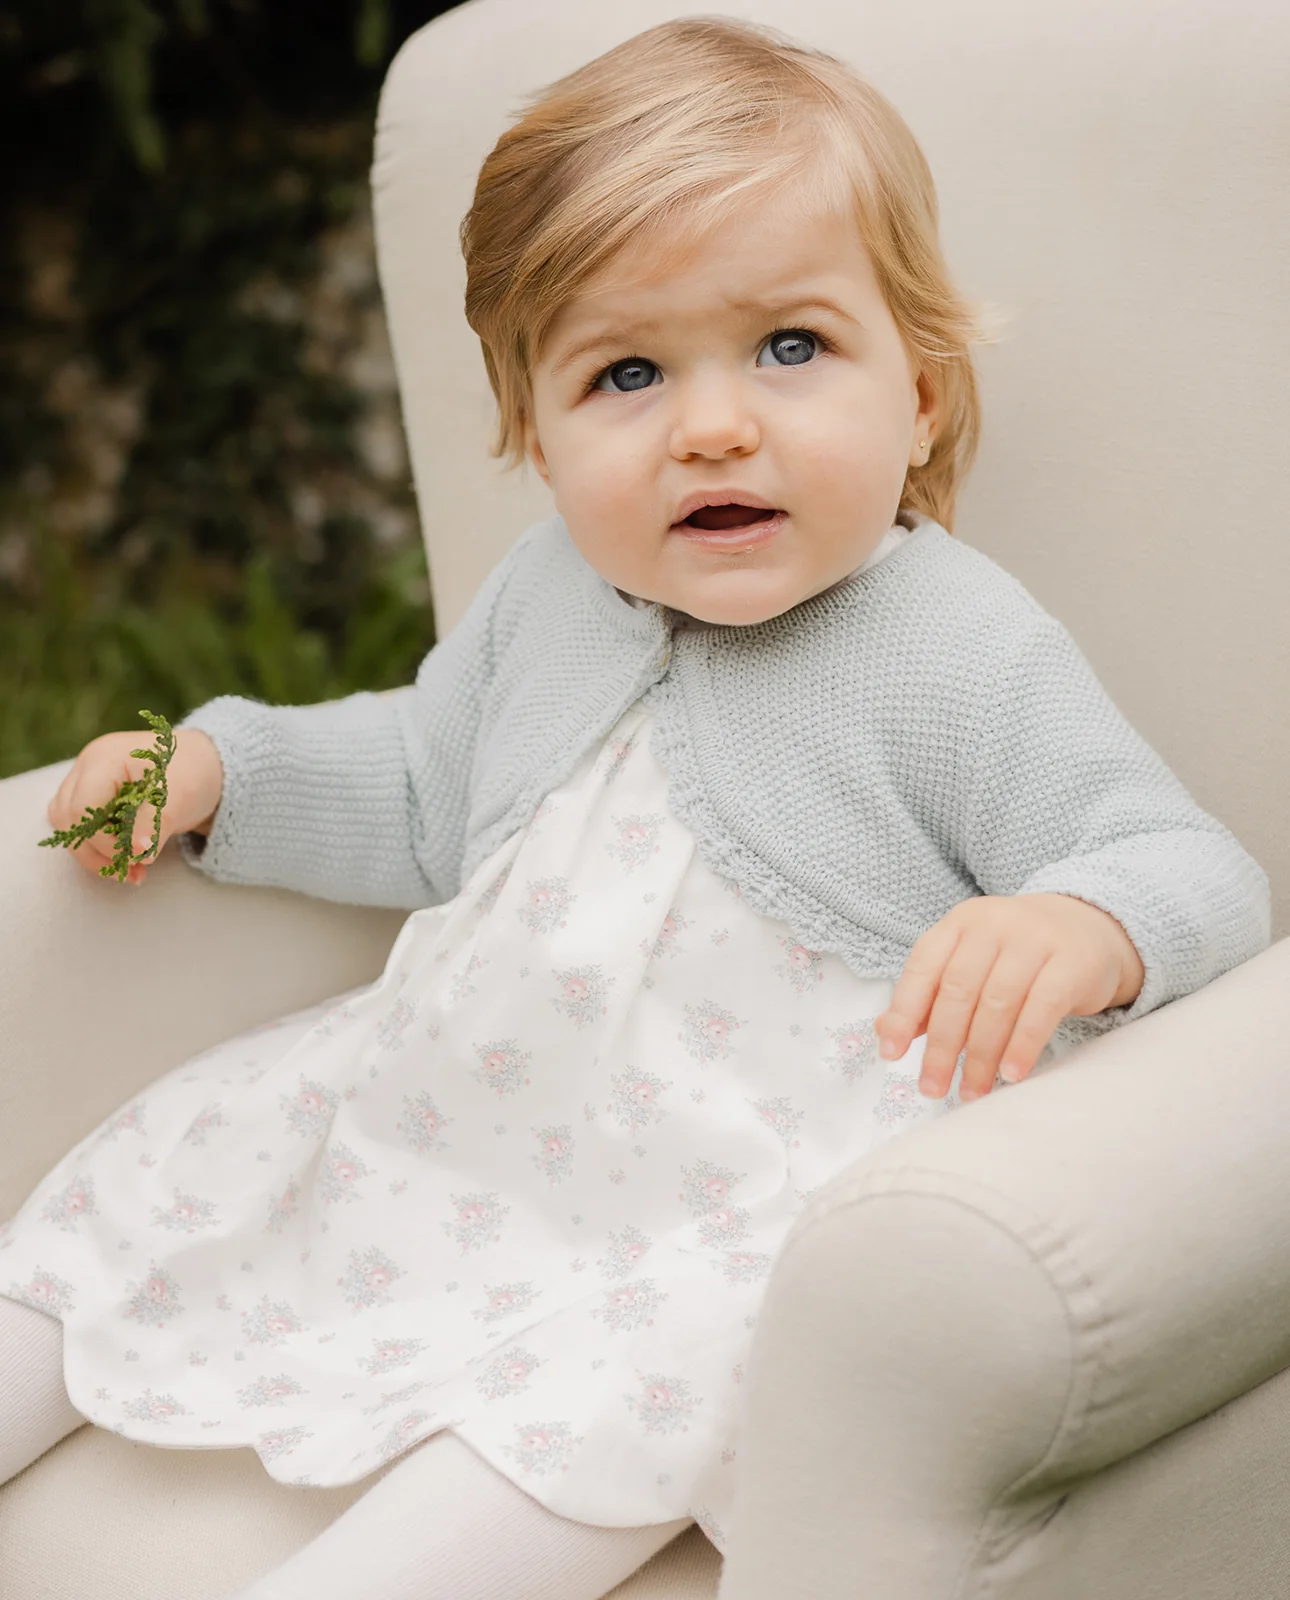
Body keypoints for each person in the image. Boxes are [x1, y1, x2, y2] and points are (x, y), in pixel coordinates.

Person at [0, 16, 1270, 1600]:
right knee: (172, 1179)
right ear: (536, 439)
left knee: (595, 1402)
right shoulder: (551, 591)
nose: (712, 425)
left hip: (719, 1192)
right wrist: (220, 775)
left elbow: (1181, 861)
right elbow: (424, 786)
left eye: (790, 346)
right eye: (626, 373)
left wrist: (1079, 921)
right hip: (466, 1114)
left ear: (922, 398)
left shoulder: (953, 645)